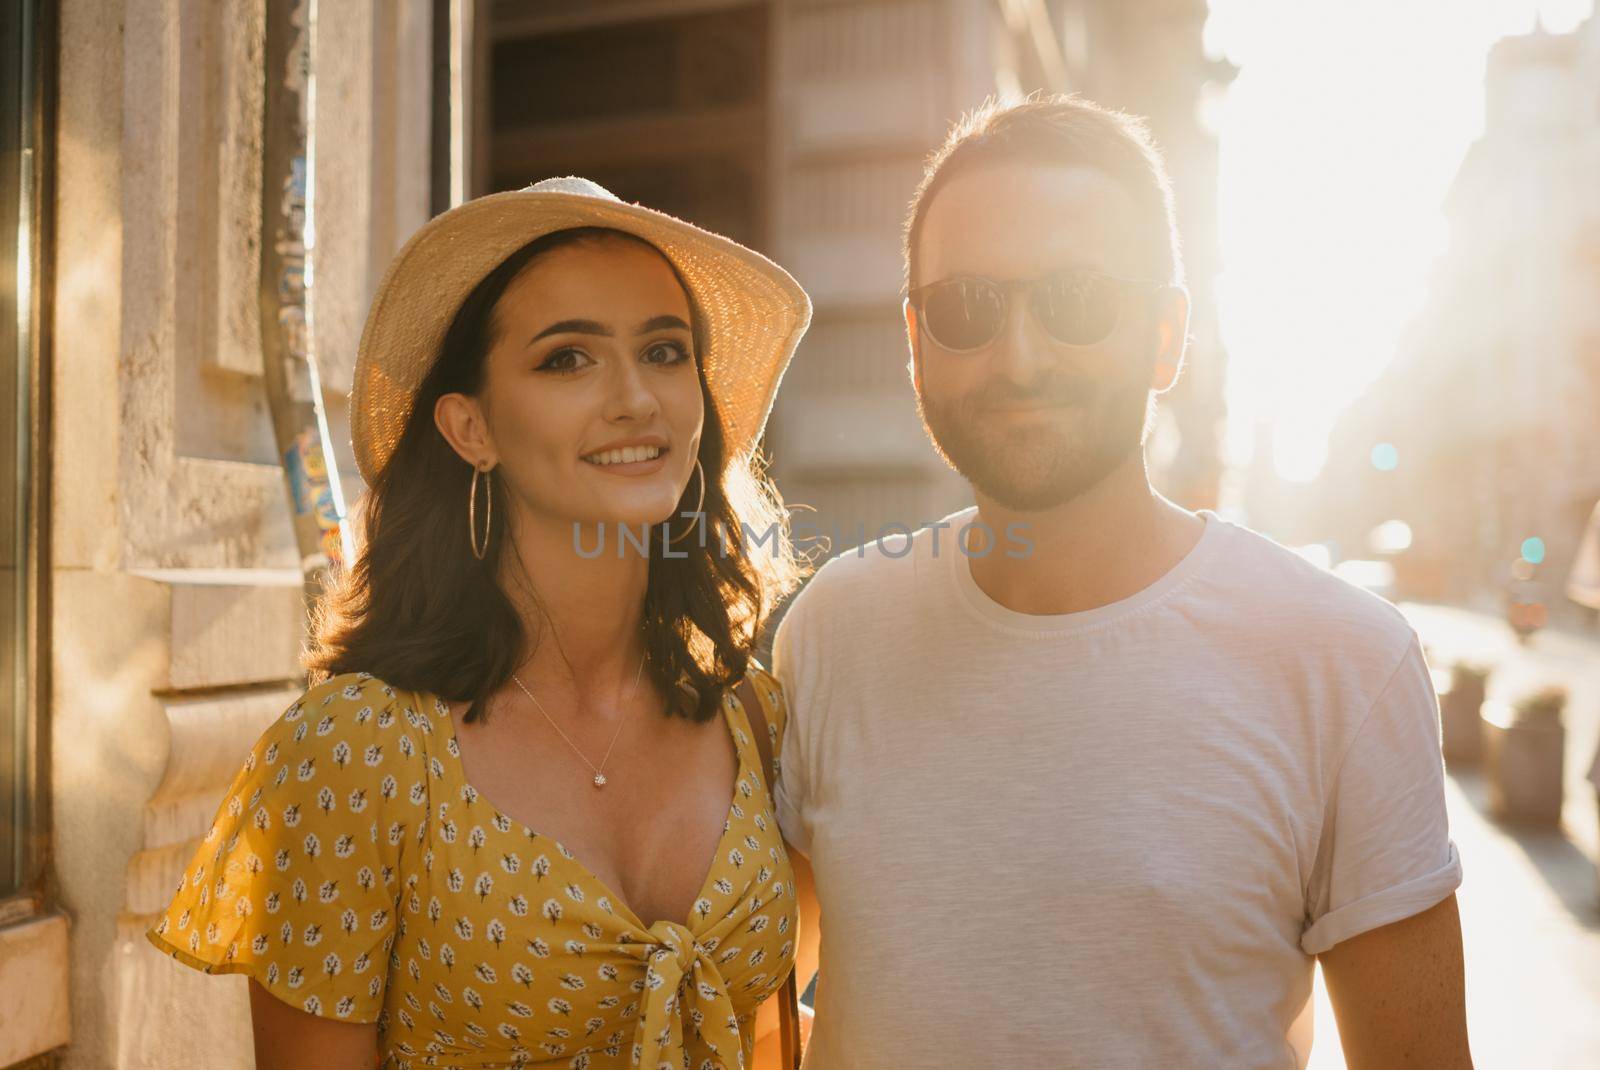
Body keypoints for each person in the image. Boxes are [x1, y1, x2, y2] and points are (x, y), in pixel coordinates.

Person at [776, 96, 1472, 1068]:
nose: (1018, 357)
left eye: (1078, 299)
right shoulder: (831, 631)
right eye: (967, 306)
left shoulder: (1346, 659)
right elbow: (769, 1008)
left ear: (1164, 335)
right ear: (914, 338)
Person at [147, 176, 814, 1070]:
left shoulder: (758, 721)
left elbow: (772, 1039)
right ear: (471, 427)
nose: (636, 399)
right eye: (567, 359)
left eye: (665, 351)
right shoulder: (359, 751)